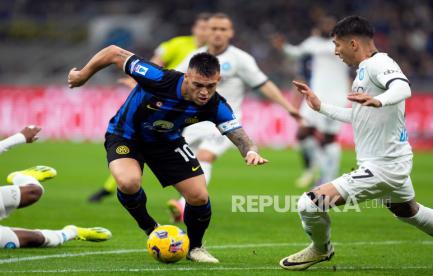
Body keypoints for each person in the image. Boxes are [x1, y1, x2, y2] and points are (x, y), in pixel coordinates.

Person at [68, 47, 268, 263]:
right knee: (128, 182)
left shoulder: (215, 104)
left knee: (199, 196)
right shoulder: (159, 77)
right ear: (187, 76)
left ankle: (195, 247)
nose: (204, 92)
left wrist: (250, 152)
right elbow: (114, 53)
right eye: (198, 85)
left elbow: (238, 134)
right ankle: (151, 228)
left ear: (218, 80)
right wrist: (82, 75)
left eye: (210, 86)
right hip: (126, 136)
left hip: (166, 142)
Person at [279, 15, 433, 271]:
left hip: (383, 167)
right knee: (408, 212)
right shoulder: (363, 71)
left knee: (309, 202)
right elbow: (359, 116)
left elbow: (402, 88)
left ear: (353, 43)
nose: (336, 51)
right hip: (391, 161)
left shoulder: (378, 63)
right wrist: (320, 107)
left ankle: (321, 249)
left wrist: (380, 100)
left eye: (337, 45)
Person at [169, 13, 300, 222]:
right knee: (189, 166)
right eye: (214, 29)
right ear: (206, 31)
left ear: (230, 33)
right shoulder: (197, 56)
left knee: (205, 156)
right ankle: (188, 203)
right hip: (193, 121)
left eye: (223, 29)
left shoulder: (240, 59)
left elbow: (263, 83)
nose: (218, 33)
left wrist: (287, 106)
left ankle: (183, 205)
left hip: (223, 122)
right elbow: (172, 78)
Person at [88, 13, 211, 203]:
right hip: (160, 105)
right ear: (195, 29)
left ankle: (186, 198)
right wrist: (143, 82)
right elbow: (156, 64)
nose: (206, 32)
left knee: (190, 152)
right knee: (139, 146)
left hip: (189, 108)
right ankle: (110, 187)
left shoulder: (213, 56)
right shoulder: (177, 44)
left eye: (210, 29)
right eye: (203, 28)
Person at [0, 126, 112, 249]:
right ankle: (73, 232)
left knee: (33, 192)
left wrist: (20, 137)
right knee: (36, 239)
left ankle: (19, 177)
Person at [271, 16, 350, 188]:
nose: (325, 27)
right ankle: (320, 167)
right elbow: (294, 52)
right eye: (323, 24)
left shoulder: (343, 43)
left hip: (336, 98)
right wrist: (282, 46)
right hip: (315, 95)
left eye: (329, 25)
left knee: (329, 138)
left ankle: (329, 177)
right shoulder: (313, 42)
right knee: (302, 133)